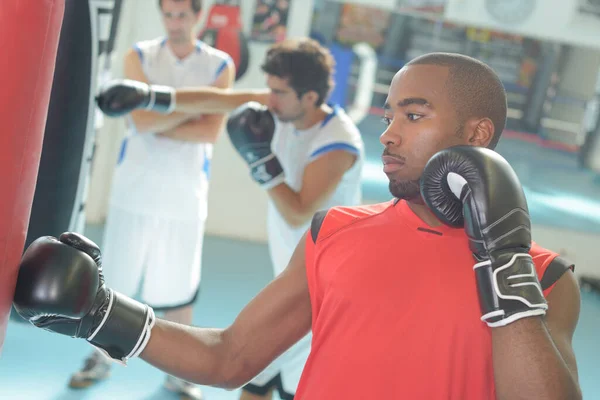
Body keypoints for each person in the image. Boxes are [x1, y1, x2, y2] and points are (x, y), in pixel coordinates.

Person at [14, 52, 582, 400]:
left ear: (477, 135)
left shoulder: (544, 275)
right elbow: (229, 358)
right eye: (388, 118)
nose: (387, 135)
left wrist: (502, 257)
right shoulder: (334, 232)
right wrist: (100, 312)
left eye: (412, 116)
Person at [98, 37, 364, 400]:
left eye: (278, 92)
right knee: (251, 381)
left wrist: (261, 162)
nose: (267, 99)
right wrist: (149, 97)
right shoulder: (283, 106)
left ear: (310, 98)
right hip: (291, 280)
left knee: (279, 384)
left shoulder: (338, 141)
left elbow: (297, 210)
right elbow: (217, 99)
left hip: (323, 297)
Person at [67, 0, 234, 398]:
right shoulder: (138, 55)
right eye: (168, 14)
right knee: (114, 282)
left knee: (180, 287)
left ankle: (183, 373)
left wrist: (157, 112)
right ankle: (100, 359)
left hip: (185, 194)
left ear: (199, 16)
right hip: (134, 191)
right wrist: (190, 109)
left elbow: (209, 131)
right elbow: (139, 122)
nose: (175, 22)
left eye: (182, 14)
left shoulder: (219, 65)